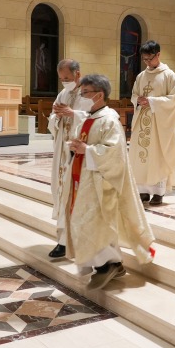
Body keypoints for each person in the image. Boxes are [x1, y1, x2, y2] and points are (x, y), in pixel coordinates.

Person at [66, 74, 156, 290]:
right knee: (88, 222)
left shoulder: (109, 120)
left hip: (102, 182)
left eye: (85, 93)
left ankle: (110, 264)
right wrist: (75, 147)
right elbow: (83, 143)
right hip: (85, 179)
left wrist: (87, 150)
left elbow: (114, 153)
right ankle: (107, 264)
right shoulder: (89, 117)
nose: (81, 97)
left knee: (96, 223)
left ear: (99, 95)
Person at [46, 59, 93, 258]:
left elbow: (94, 119)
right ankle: (63, 239)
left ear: (77, 74)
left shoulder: (89, 92)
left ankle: (76, 240)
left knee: (75, 195)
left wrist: (73, 114)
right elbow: (52, 118)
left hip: (78, 152)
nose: (64, 82)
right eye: (61, 79)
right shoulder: (63, 94)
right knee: (61, 193)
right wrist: (56, 116)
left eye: (66, 78)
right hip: (62, 152)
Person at [129, 40, 175, 206]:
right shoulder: (141, 76)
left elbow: (174, 100)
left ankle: (158, 192)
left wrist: (151, 101)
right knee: (141, 157)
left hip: (160, 124)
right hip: (142, 123)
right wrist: (138, 100)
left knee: (157, 156)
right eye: (144, 59)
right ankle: (143, 191)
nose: (147, 62)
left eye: (149, 58)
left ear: (158, 54)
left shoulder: (169, 75)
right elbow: (134, 95)